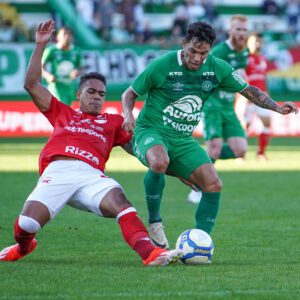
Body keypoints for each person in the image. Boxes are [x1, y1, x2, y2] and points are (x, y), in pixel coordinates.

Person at [0, 20, 181, 266]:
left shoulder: (114, 122)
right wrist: (40, 45)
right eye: (91, 92)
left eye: (102, 94)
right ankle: (23, 246)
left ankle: (150, 254)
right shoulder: (63, 113)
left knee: (121, 202)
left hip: (90, 176)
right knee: (27, 224)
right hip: (58, 171)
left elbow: (139, 150)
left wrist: (172, 167)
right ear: (78, 94)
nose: (97, 98)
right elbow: (31, 85)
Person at [121, 21, 298, 249]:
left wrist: (277, 107)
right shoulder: (163, 64)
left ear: (210, 50)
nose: (196, 58)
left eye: (203, 53)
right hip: (151, 130)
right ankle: (155, 222)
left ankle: (200, 242)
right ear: (184, 44)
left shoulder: (217, 67)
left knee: (213, 184)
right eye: (192, 51)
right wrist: (128, 116)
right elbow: (129, 94)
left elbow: (249, 91)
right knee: (159, 161)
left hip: (183, 139)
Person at [187, 15, 250, 204]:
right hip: (213, 104)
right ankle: (198, 187)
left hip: (228, 107)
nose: (241, 33)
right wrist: (231, 78)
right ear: (230, 31)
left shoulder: (245, 52)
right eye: (238, 29)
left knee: (241, 149)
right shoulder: (220, 51)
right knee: (214, 149)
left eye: (244, 30)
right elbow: (205, 76)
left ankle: (197, 158)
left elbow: (241, 82)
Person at [245, 32, 271, 160]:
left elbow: (264, 77)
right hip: (248, 97)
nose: (257, 44)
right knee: (245, 126)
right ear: (248, 42)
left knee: (267, 122)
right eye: (255, 41)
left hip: (262, 97)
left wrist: (268, 94)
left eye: (259, 41)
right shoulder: (244, 58)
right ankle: (241, 154)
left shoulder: (263, 58)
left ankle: (261, 153)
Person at [42, 26, 83, 106]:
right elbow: (41, 67)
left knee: (67, 112)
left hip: (69, 87)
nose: (67, 37)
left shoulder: (77, 50)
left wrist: (77, 72)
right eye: (64, 34)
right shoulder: (51, 50)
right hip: (56, 86)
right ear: (58, 37)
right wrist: (47, 76)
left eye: (69, 34)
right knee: (62, 109)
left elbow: (82, 68)